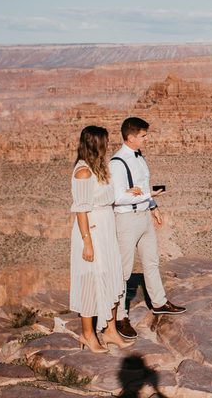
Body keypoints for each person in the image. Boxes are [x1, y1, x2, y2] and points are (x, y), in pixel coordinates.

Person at [111, 117, 186, 340]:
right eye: (144, 135)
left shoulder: (139, 157)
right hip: (126, 220)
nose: (147, 139)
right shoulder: (117, 163)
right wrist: (148, 196)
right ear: (131, 137)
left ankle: (160, 302)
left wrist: (153, 206)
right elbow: (117, 197)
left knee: (151, 261)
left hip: (143, 215)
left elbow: (140, 188)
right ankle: (119, 317)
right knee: (123, 271)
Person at [68, 125, 132, 352]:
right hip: (92, 232)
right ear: (95, 144)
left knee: (112, 277)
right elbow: (81, 210)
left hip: (106, 230)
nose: (108, 145)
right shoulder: (83, 171)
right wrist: (87, 242)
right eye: (105, 141)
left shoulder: (99, 168)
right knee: (90, 282)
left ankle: (110, 331)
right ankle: (87, 334)